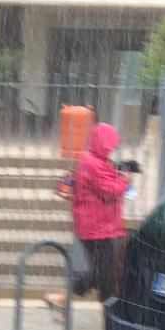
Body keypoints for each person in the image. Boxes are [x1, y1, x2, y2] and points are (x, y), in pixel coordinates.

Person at [44, 122, 135, 314]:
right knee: (103, 272)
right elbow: (109, 191)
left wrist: (118, 175)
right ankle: (62, 298)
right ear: (102, 142)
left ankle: (108, 311)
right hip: (97, 229)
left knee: (106, 273)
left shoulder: (96, 161)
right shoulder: (94, 164)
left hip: (99, 227)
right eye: (110, 144)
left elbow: (107, 183)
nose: (112, 149)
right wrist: (124, 181)